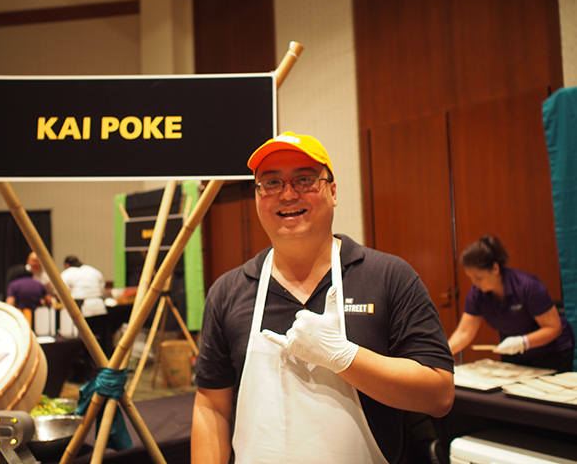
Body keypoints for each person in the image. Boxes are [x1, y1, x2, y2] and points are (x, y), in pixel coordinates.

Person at [191, 132, 455, 464]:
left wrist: (344, 357)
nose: (288, 194)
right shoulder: (228, 291)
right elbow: (211, 406)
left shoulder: (389, 277)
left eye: (305, 180)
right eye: (271, 183)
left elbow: (438, 396)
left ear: (333, 191)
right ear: (257, 197)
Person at [448, 234, 574, 372]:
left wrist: (523, 342)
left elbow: (554, 328)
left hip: (552, 352)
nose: (474, 283)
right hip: (515, 354)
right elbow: (464, 332)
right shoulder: (477, 294)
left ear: (495, 269)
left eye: (478, 278)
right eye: (471, 278)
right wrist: (442, 354)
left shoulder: (527, 286)